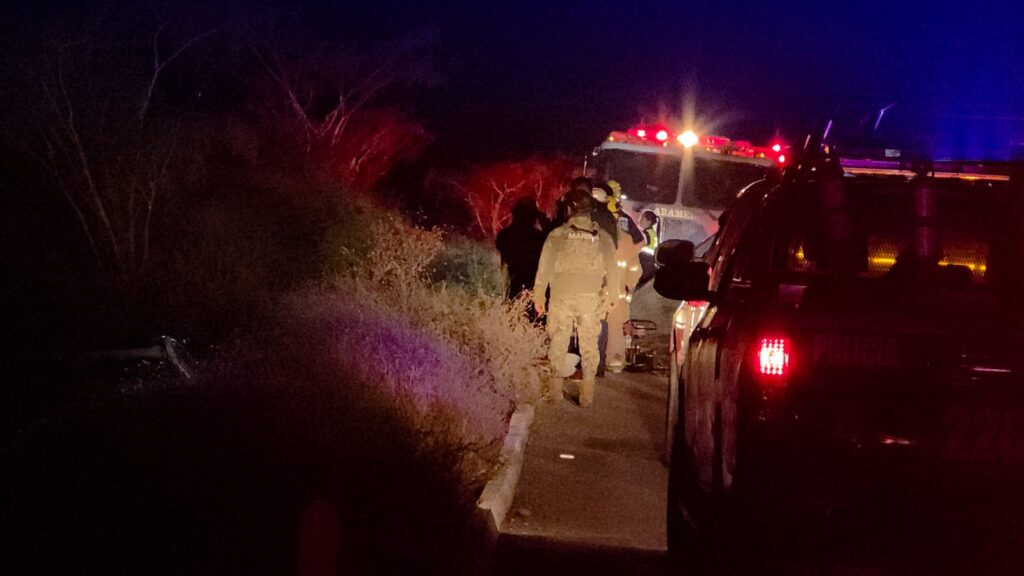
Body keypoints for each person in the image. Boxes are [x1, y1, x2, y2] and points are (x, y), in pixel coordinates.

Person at [534, 188, 620, 407]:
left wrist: (539, 295)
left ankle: (555, 392)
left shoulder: (558, 235)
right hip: (591, 297)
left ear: (570, 208)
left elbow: (545, 267)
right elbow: (612, 267)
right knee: (590, 343)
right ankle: (587, 396)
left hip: (562, 295)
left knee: (558, 340)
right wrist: (613, 295)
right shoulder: (602, 236)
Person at [599, 182, 645, 372]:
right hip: (618, 295)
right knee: (615, 328)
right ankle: (614, 361)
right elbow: (636, 269)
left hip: (593, 292)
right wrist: (628, 288)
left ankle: (590, 362)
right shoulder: (626, 238)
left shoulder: (595, 235)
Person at [495, 197, 548, 309]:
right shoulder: (538, 237)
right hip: (533, 285)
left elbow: (503, 264)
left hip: (513, 285)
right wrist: (542, 218)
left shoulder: (504, 235)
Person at [637, 210, 660, 288]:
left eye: (641, 218)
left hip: (644, 265)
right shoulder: (651, 233)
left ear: (648, 221)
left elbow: (638, 248)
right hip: (649, 264)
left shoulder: (646, 234)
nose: (639, 220)